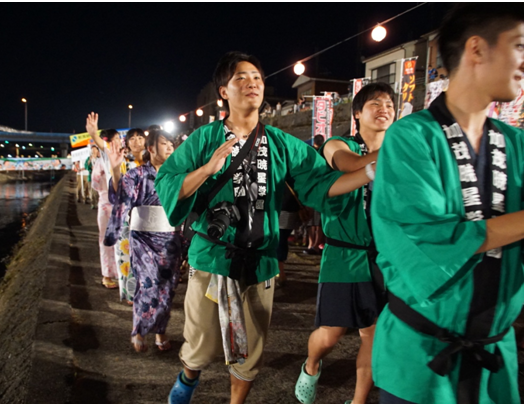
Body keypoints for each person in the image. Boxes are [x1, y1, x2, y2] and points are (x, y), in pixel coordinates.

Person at [155, 51, 377, 404]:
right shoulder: (202, 139)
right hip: (212, 258)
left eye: (257, 77)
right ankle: (189, 374)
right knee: (202, 344)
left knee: (250, 351)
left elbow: (320, 184)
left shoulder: (280, 143)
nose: (253, 83)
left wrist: (367, 173)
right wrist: (207, 170)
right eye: (241, 78)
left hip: (261, 262)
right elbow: (166, 182)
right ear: (223, 92)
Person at [371, 4, 523, 403]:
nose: (524, 62)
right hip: (420, 361)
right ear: (476, 49)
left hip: (495, 360)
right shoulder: (411, 138)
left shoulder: (516, 143)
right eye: (519, 46)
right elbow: (426, 241)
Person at [294, 82, 395, 404]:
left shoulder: (399, 151)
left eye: (390, 105)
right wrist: (403, 150)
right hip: (343, 254)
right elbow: (350, 165)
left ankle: (358, 401)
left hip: (384, 258)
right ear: (357, 114)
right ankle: (311, 365)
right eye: (375, 104)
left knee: (373, 336)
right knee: (330, 334)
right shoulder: (339, 144)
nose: (385, 109)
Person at [107, 129, 182, 353]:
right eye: (164, 143)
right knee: (148, 284)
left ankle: (160, 330)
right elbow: (120, 196)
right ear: (151, 149)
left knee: (167, 288)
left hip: (171, 239)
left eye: (171, 143)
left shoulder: (178, 175)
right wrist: (114, 168)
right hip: (144, 240)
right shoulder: (137, 174)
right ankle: (138, 329)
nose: (170, 147)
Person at [86, 114, 148, 304]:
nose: (136, 142)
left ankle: (140, 287)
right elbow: (104, 181)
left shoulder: (149, 160)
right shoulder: (118, 159)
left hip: (142, 213)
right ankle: (126, 288)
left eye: (140, 138)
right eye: (132, 138)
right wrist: (94, 134)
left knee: (139, 252)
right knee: (122, 249)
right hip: (116, 208)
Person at [91, 138, 119, 290]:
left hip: (121, 206)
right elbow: (95, 184)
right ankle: (107, 275)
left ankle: (121, 274)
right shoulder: (100, 162)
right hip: (106, 205)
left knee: (123, 241)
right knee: (106, 240)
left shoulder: (125, 160)